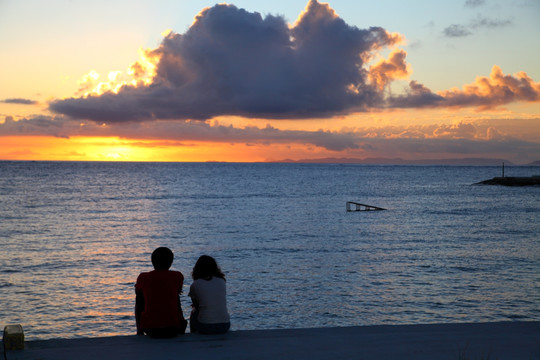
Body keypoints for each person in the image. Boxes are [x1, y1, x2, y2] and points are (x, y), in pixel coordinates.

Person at [135, 247, 187, 338]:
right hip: (173, 328)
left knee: (140, 299)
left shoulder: (143, 277)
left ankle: (139, 330)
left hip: (150, 328)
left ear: (152, 261)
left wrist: (139, 330)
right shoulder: (177, 276)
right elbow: (177, 301)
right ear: (171, 262)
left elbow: (139, 304)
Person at [189, 255, 230, 334]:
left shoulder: (196, 284)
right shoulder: (222, 281)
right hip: (225, 325)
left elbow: (196, 306)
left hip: (206, 326)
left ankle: (193, 335)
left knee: (193, 313)